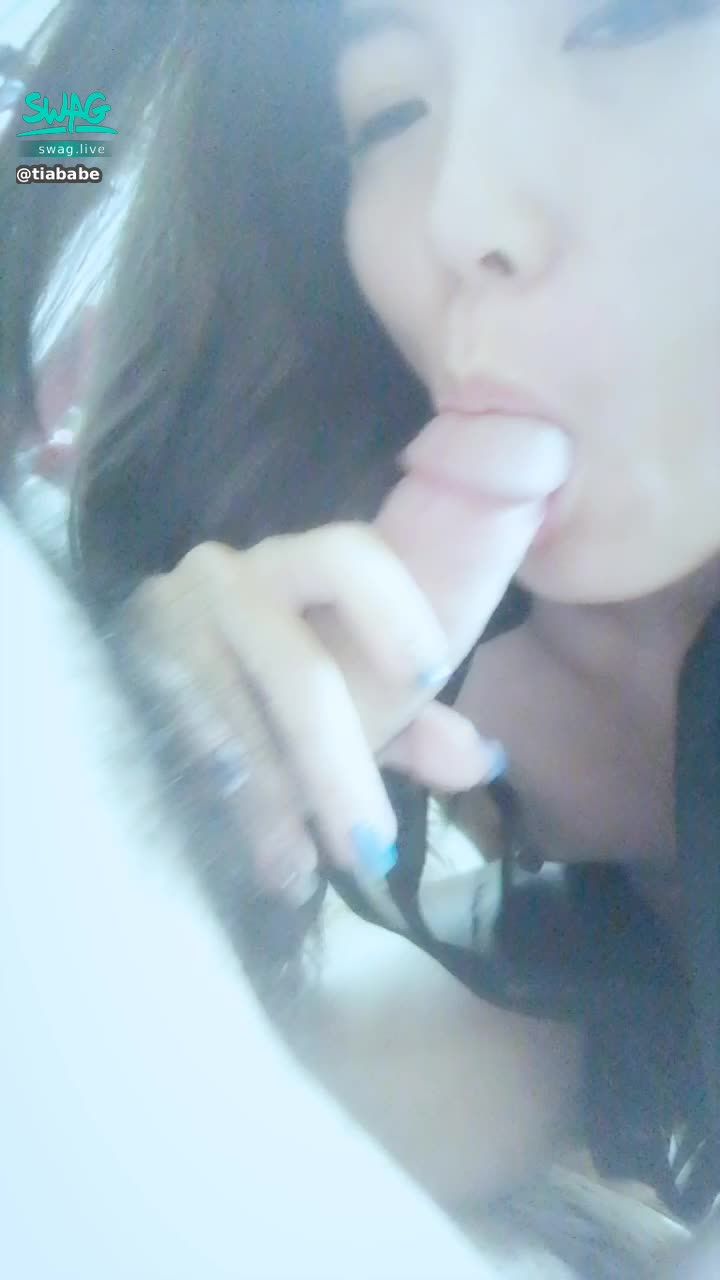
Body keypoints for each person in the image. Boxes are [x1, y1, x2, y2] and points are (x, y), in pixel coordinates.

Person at [1, 0, 719, 1270]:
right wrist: (162, 788)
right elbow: (69, 109)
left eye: (628, 19)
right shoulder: (334, 539)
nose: (460, 210)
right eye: (387, 114)